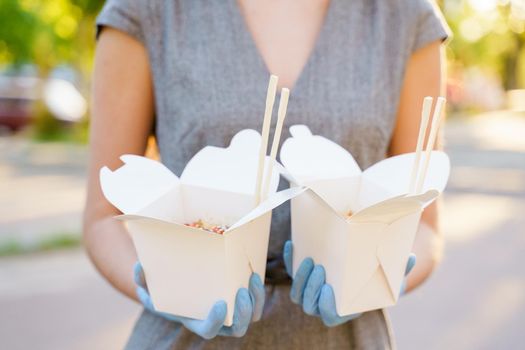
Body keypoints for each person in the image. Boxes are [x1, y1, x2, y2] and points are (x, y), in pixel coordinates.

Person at [83, 0, 450, 348]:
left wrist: (381, 276)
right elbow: (103, 217)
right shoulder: (150, 9)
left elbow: (424, 224)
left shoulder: (404, 14)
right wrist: (164, 287)